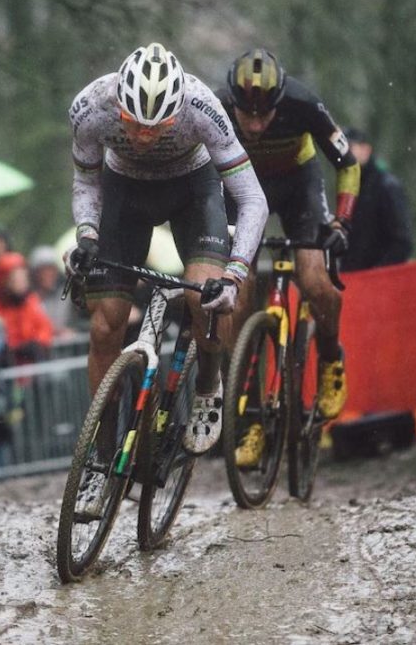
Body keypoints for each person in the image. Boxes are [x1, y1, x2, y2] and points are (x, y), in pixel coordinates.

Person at [66, 41, 267, 517]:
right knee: (105, 325)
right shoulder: (90, 108)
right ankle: (100, 461)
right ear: (119, 105)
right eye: (134, 123)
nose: (143, 137)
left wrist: (234, 276)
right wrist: (87, 234)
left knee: (204, 297)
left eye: (157, 127)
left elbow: (253, 200)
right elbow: (86, 182)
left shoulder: (203, 108)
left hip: (192, 192)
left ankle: (207, 386)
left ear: (177, 112)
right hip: (124, 195)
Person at [214, 49, 357, 470]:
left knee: (313, 280)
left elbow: (348, 164)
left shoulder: (303, 103)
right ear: (233, 103)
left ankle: (330, 357)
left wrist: (342, 222)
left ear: (281, 102)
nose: (256, 126)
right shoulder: (217, 107)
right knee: (235, 300)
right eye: (248, 116)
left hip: (298, 186)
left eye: (266, 116)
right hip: (243, 187)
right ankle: (250, 419)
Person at [340, 127, 413, 272]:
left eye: (349, 148)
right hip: (352, 278)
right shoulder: (347, 188)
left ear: (366, 150)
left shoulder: (386, 186)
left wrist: (377, 274)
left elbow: (402, 242)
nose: (343, 154)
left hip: (379, 279)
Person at [0, 251, 54, 364]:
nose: (21, 282)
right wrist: (16, 349)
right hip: (10, 366)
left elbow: (45, 328)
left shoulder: (32, 302)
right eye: (15, 278)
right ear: (4, 281)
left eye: (23, 277)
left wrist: (37, 343)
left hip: (33, 366)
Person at [29, 244, 80, 334]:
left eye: (52, 269)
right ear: (35, 274)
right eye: (44, 270)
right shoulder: (29, 299)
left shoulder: (66, 295)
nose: (49, 274)